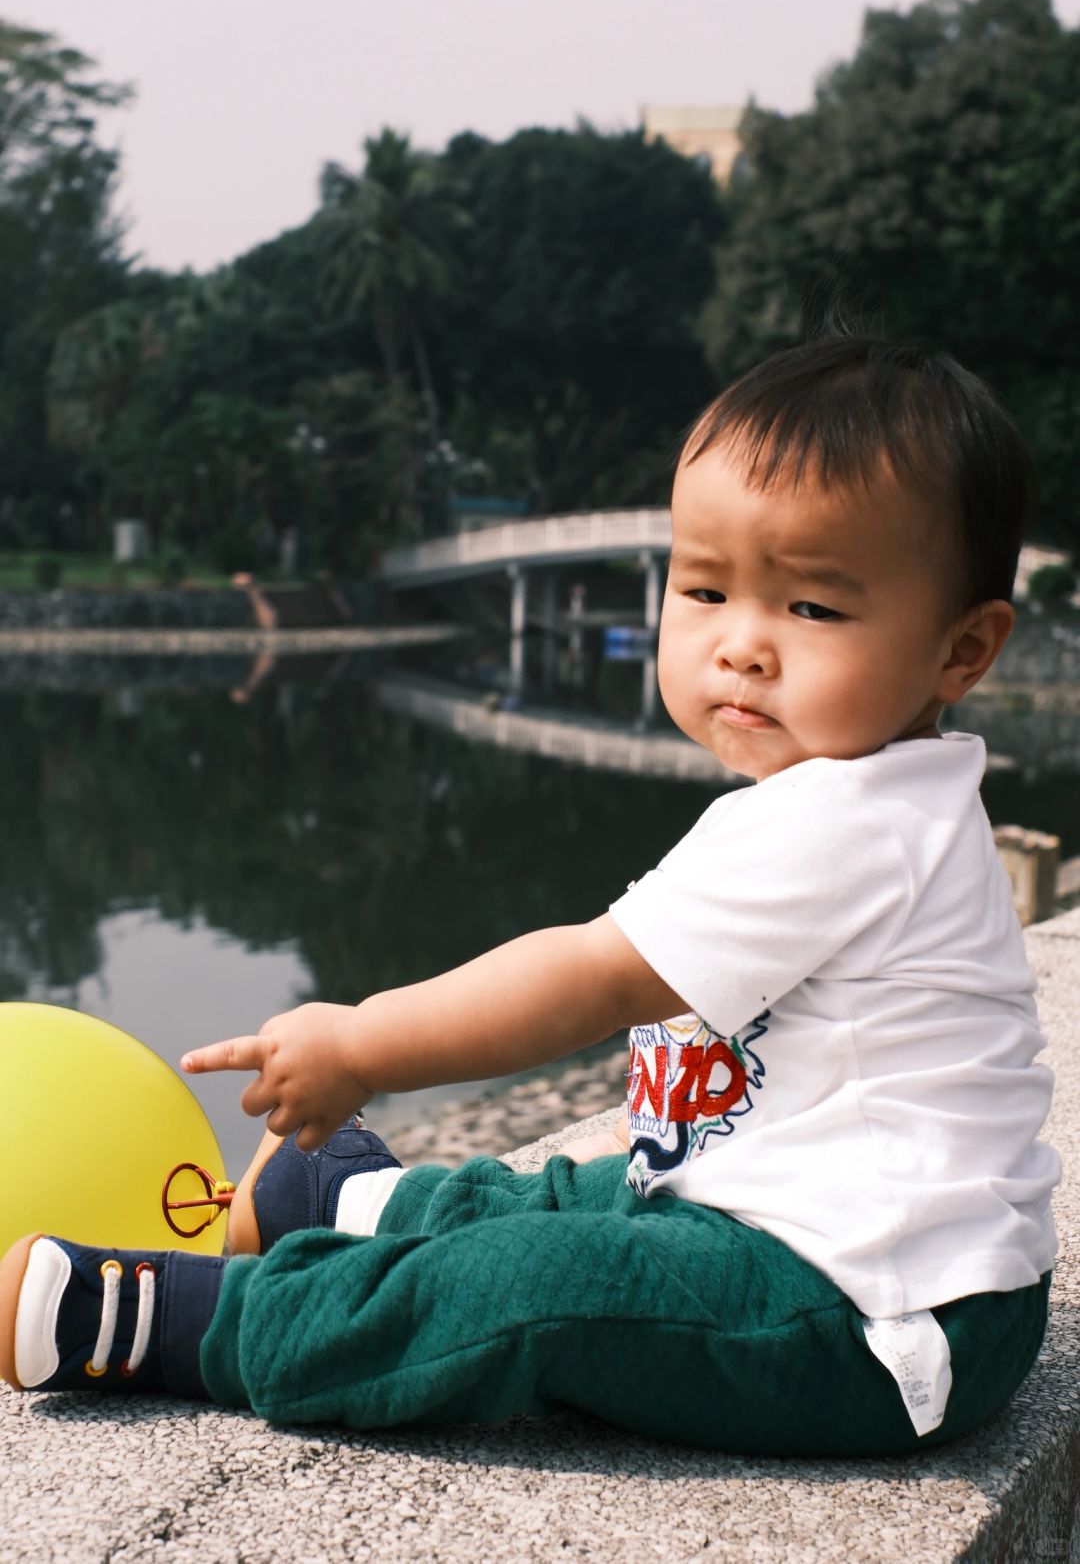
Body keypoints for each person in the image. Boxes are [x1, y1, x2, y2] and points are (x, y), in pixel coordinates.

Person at [0, 335, 1060, 1458]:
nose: (742, 646)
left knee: (538, 1278)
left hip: (879, 1324)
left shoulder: (855, 821)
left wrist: (365, 1043)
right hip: (817, 1237)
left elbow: (589, 977)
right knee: (589, 1193)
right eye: (704, 589)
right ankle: (349, 1200)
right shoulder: (857, 796)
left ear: (963, 649)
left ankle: (193, 1325)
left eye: (813, 610)